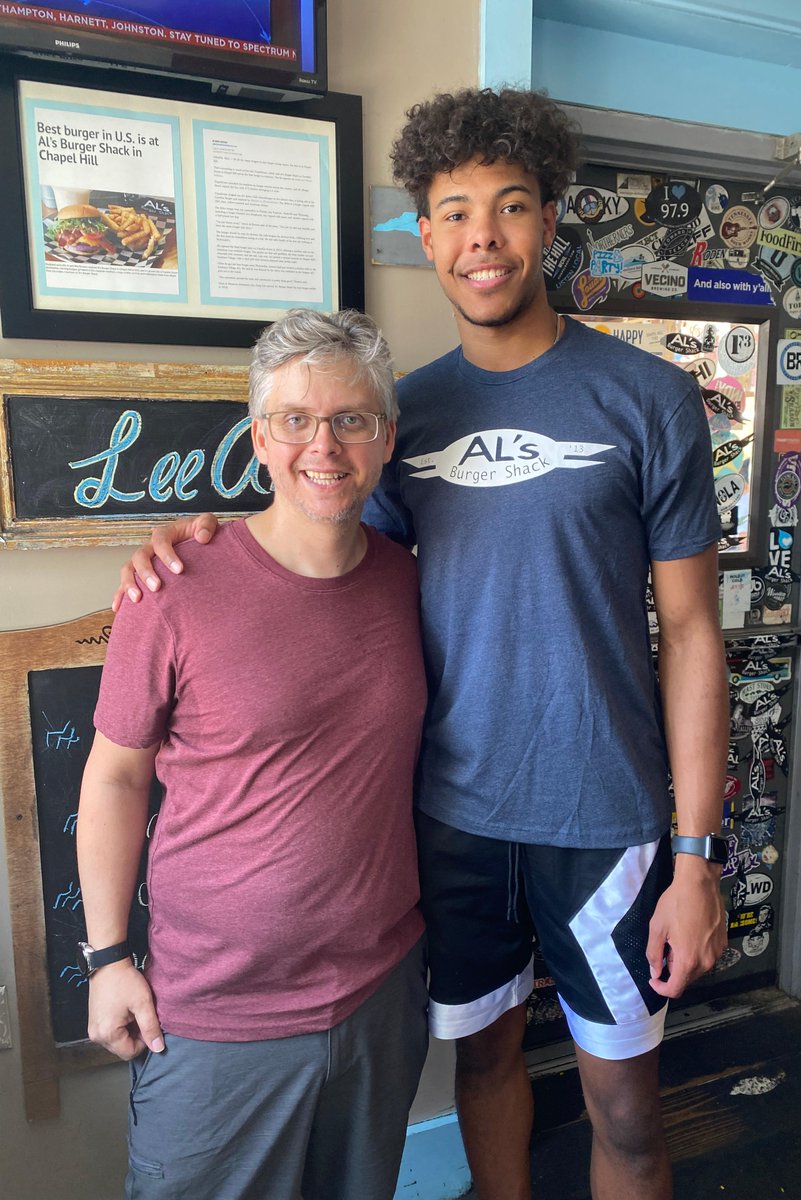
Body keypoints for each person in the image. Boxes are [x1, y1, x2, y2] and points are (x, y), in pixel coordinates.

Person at [117, 89, 730, 1200]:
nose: (480, 238)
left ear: (549, 219)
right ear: (424, 233)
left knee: (629, 1114)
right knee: (485, 1065)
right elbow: (322, 551)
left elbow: (691, 631)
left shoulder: (649, 398)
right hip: (445, 822)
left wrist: (698, 855)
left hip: (608, 821)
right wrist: (192, 538)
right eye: (451, 212)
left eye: (507, 207)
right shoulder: (404, 417)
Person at [79, 308, 428, 1200]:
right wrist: (107, 957)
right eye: (295, 420)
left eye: (351, 419)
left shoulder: (410, 580)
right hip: (214, 1024)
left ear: (385, 439)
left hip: (380, 1001)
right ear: (259, 439)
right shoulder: (172, 589)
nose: (325, 445)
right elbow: (115, 776)